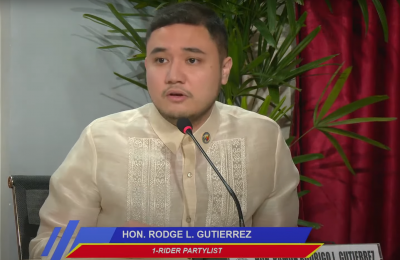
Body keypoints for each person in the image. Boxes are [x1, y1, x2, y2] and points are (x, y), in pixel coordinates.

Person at [29, 2, 299, 259]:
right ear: (146, 66)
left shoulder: (263, 139)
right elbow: (45, 249)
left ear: (224, 70)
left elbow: (279, 249)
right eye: (160, 60)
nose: (173, 75)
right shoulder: (101, 140)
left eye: (192, 60)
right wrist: (111, 248)